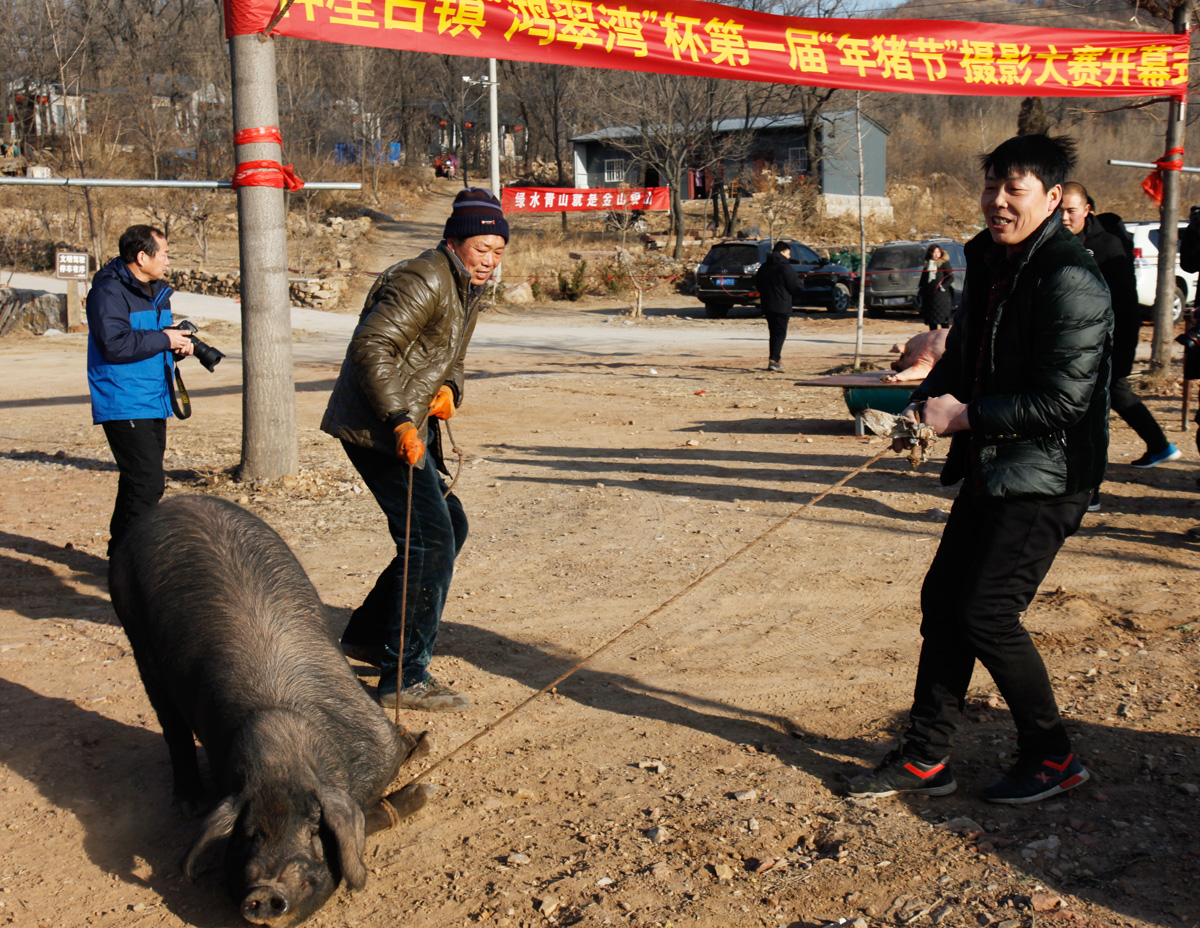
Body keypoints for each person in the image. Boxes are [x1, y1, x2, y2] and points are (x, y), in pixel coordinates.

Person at [847, 134, 1112, 804]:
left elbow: (1063, 400)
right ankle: (925, 758)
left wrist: (963, 418)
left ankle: (1053, 756)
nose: (998, 201)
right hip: (995, 467)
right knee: (945, 604)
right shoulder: (989, 262)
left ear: (1051, 198)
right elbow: (962, 356)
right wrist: (919, 405)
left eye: (1014, 189)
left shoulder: (1071, 279)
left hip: (1048, 476)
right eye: (992, 185)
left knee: (986, 613)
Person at [321, 188, 507, 712]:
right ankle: (404, 674)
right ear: (455, 241)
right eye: (482, 248)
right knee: (431, 540)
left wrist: (451, 389)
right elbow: (371, 347)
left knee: (452, 526)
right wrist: (402, 421)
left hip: (407, 425)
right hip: (379, 428)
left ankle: (367, 633)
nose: (490, 261)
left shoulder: (464, 286)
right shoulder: (424, 278)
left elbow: (449, 355)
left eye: (497, 251)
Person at [1060, 182, 1179, 503]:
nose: (1065, 218)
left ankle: (1090, 490)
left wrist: (1120, 352)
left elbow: (1126, 307)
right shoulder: (1054, 242)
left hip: (1103, 348)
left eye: (1071, 211)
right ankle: (1158, 446)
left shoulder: (1108, 247)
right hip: (1068, 348)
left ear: (1087, 210)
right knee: (1102, 404)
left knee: (1090, 417)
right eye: (1059, 211)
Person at [86, 225, 193, 556]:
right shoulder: (108, 292)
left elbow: (148, 337)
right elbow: (114, 344)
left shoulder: (155, 290)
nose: (168, 261)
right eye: (164, 254)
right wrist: (164, 338)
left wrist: (175, 345)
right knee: (147, 481)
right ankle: (132, 563)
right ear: (141, 256)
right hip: (123, 397)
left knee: (140, 482)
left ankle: (122, 556)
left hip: (153, 396)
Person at [753, 240, 802, 372]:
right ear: (782, 252)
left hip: (767, 305)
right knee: (779, 333)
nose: (789, 256)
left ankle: (774, 358)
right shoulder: (786, 268)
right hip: (782, 305)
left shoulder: (763, 267)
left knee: (773, 333)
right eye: (788, 253)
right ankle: (774, 360)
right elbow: (796, 286)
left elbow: (757, 284)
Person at [917, 243, 954, 330]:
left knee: (943, 320)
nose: (937, 254)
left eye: (938, 252)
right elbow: (923, 280)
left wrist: (943, 286)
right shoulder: (927, 264)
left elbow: (950, 278)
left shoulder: (944, 263)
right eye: (935, 252)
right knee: (932, 321)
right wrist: (920, 289)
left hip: (941, 296)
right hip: (929, 297)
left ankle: (945, 339)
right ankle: (933, 338)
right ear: (930, 253)